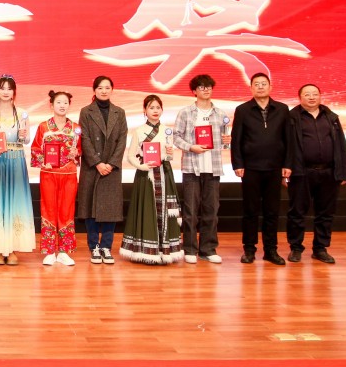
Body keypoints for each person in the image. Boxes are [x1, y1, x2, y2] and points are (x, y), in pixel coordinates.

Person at [230, 72, 292, 265]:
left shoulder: (282, 109)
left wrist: (287, 164)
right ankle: (249, 250)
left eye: (264, 83)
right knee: (250, 211)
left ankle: (270, 250)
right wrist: (238, 164)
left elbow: (289, 139)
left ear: (270, 87)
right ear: (251, 88)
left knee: (272, 211)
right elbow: (236, 139)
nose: (260, 87)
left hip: (275, 168)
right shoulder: (243, 110)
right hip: (250, 168)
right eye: (256, 84)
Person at [285, 84, 346, 264]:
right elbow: (285, 145)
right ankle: (296, 248)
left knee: (325, 213)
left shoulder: (331, 117)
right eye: (307, 94)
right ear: (300, 98)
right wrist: (284, 170)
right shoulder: (291, 118)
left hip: (328, 172)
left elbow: (341, 145)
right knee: (297, 212)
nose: (311, 97)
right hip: (301, 172)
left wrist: (343, 172)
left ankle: (320, 248)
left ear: (320, 96)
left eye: (315, 94)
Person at [170, 74, 232, 264]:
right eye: (202, 87)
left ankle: (208, 249)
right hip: (191, 168)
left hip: (213, 168)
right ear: (194, 91)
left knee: (211, 210)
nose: (206, 90)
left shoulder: (220, 114)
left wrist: (228, 141)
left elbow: (225, 141)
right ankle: (189, 248)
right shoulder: (186, 113)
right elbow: (176, 137)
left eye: (209, 87)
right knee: (190, 211)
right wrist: (191, 147)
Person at [0, 74, 36, 266]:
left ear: (14, 92)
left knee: (15, 201)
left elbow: (26, 140)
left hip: (16, 160)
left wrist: (23, 136)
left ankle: (12, 249)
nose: (6, 92)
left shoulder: (23, 113)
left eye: (9, 88)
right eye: (2, 88)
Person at [119, 95, 183, 264]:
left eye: (158, 107)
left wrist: (169, 153)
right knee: (147, 211)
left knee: (165, 211)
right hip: (145, 175)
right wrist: (141, 166)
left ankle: (165, 251)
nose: (155, 111)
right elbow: (130, 156)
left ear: (162, 110)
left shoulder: (167, 130)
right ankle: (146, 251)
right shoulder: (139, 131)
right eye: (151, 107)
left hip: (164, 173)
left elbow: (169, 157)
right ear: (145, 110)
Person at [76, 75, 128, 265]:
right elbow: (85, 139)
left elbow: (122, 140)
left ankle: (106, 246)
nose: (104, 91)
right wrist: (97, 163)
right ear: (94, 90)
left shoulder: (119, 112)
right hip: (92, 167)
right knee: (90, 208)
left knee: (110, 208)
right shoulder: (86, 111)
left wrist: (111, 163)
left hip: (112, 169)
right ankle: (94, 247)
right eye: (100, 88)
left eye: (107, 87)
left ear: (112, 89)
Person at [30, 90, 81, 266]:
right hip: (49, 175)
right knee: (48, 210)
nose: (62, 105)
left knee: (67, 211)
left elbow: (81, 151)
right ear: (51, 105)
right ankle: (50, 251)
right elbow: (35, 149)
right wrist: (44, 162)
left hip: (69, 175)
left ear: (69, 105)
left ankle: (65, 251)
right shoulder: (43, 127)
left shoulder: (75, 128)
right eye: (58, 102)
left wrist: (76, 153)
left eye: (65, 102)